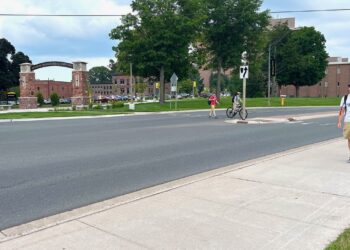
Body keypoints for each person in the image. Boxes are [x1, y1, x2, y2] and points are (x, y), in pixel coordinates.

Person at [338, 84, 350, 162]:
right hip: (347, 121)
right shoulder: (345, 98)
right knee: (349, 139)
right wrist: (339, 121)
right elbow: (341, 111)